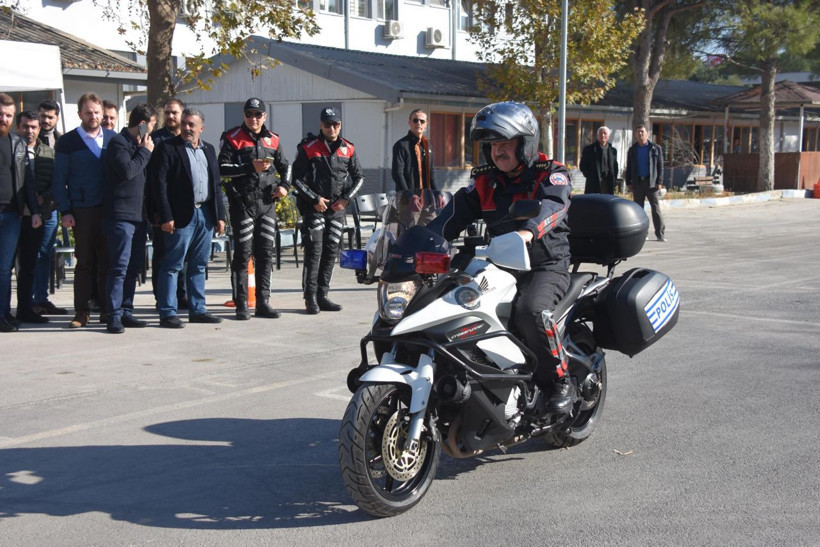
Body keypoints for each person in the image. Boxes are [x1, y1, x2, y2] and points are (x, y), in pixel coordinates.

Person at [426, 101, 574, 416]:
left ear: (525, 143)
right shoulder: (485, 182)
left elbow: (554, 205)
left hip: (543, 265)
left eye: (505, 143)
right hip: (500, 263)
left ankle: (559, 383)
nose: (497, 152)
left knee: (530, 310)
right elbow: (450, 218)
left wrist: (528, 232)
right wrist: (421, 242)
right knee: (449, 306)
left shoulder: (550, 174)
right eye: (492, 145)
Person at [151, 108, 226, 328]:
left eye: (191, 125)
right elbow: (159, 186)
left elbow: (216, 185)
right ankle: (167, 312)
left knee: (199, 264)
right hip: (180, 216)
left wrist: (220, 216)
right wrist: (166, 215)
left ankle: (198, 309)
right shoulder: (167, 148)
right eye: (184, 123)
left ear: (201, 128)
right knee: (173, 264)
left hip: (205, 214)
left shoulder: (209, 150)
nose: (186, 128)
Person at [218, 97, 290, 320]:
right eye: (249, 114)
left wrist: (285, 186)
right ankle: (242, 304)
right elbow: (221, 168)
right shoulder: (231, 137)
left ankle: (263, 303)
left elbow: (286, 166)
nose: (253, 118)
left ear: (264, 117)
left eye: (258, 114)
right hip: (243, 205)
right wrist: (250, 167)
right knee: (242, 255)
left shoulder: (273, 139)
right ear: (244, 115)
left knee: (265, 254)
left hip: (267, 204)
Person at [52, 92, 117, 328]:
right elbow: (59, 181)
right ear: (79, 114)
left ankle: (107, 310)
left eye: (97, 112)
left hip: (108, 211)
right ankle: (81, 311)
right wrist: (65, 211)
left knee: (107, 262)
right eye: (88, 112)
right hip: (82, 211)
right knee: (85, 262)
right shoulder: (68, 142)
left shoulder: (112, 138)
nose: (93, 116)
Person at [292, 107, 364, 314]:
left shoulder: (348, 148)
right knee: (314, 252)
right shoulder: (308, 147)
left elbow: (359, 177)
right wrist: (314, 199)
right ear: (321, 125)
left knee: (331, 252)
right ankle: (310, 298)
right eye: (327, 124)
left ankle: (323, 296)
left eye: (335, 124)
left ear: (340, 125)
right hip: (314, 208)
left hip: (336, 210)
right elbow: (295, 179)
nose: (332, 128)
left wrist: (346, 199)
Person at [102, 103, 156, 334]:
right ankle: (113, 315)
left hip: (138, 215)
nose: (153, 130)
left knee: (133, 267)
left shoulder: (139, 144)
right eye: (153, 125)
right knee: (119, 267)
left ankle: (126, 310)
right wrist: (145, 151)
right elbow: (126, 172)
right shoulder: (118, 142)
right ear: (142, 124)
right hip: (120, 215)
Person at [0, 94, 37, 332]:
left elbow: (28, 182)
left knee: (4, 269)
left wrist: (34, 210)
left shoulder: (17, 143)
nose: (3, 118)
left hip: (12, 215)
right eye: (0, 113)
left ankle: (4, 313)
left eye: (8, 115)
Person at [14, 111, 55, 324]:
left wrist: (44, 197)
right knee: (7, 266)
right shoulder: (11, 148)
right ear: (18, 127)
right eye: (25, 126)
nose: (29, 131)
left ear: (39, 129)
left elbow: (57, 181)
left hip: (36, 217)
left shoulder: (48, 153)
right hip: (12, 215)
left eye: (33, 127)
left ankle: (26, 308)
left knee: (30, 264)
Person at [148, 98, 187, 308]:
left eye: (174, 112)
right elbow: (152, 179)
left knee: (183, 255)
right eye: (168, 112)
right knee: (162, 255)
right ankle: (162, 297)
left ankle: (182, 296)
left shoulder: (188, 138)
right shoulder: (155, 139)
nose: (171, 116)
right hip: (162, 208)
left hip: (185, 209)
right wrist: (156, 210)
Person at [625, 124, 665, 242]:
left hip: (651, 183)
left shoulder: (655, 148)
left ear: (647, 133)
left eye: (642, 132)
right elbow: (629, 167)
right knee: (638, 209)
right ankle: (642, 234)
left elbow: (660, 166)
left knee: (655, 208)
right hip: (638, 183)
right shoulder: (632, 149)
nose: (640, 134)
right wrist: (628, 182)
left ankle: (660, 233)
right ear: (636, 134)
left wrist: (659, 181)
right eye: (638, 132)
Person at [392, 109, 437, 192]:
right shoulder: (401, 145)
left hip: (425, 196)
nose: (418, 123)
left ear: (426, 124)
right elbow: (397, 173)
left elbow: (431, 172)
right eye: (415, 120)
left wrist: (437, 194)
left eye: (422, 121)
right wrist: (409, 195)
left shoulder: (428, 146)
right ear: (409, 123)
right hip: (405, 199)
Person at [579, 126, 618, 195]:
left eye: (605, 133)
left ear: (608, 136)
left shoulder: (613, 151)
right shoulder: (589, 149)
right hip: (594, 183)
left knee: (607, 204)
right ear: (597, 136)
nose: (603, 135)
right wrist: (590, 176)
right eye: (600, 133)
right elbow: (582, 166)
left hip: (608, 183)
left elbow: (615, 167)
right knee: (594, 204)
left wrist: (614, 179)